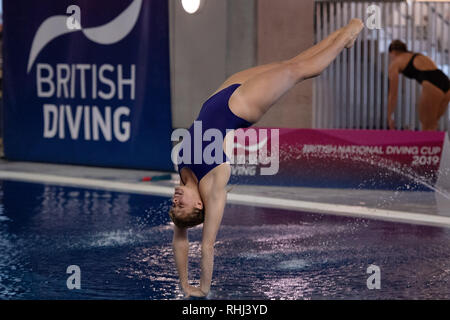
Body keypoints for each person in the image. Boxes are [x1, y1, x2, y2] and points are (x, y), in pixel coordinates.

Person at [169, 19, 364, 298]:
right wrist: (201, 289)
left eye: (174, 204)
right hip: (241, 106)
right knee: (299, 70)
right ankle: (352, 30)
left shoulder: (183, 176)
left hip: (220, 96)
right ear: (198, 205)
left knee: (290, 62)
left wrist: (182, 282)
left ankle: (344, 35)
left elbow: (179, 240)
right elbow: (208, 245)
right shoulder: (213, 187)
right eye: (181, 205)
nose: (176, 199)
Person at [388, 40, 450, 131]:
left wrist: (389, 116)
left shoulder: (396, 63)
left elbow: (393, 94)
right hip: (447, 84)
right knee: (432, 125)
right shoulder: (417, 55)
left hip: (432, 85)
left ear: (392, 53)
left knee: (426, 126)